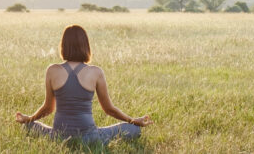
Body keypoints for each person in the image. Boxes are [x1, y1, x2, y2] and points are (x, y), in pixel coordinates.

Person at [15, 24, 152, 144]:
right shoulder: (95, 72)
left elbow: (47, 109)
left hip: (59, 137)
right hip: (90, 138)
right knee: (134, 129)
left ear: (63, 46)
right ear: (85, 45)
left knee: (28, 126)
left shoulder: (52, 70)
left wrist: (29, 119)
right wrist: (134, 121)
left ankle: (33, 126)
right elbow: (109, 109)